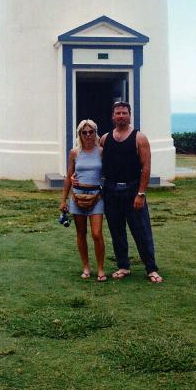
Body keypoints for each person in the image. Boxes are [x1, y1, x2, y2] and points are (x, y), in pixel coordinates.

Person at [100, 101, 163, 283]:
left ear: (130, 115)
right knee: (116, 231)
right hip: (111, 191)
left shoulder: (139, 138)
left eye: (124, 113)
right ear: (113, 116)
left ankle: (151, 268)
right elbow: (97, 163)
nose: (121, 116)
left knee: (141, 231)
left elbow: (146, 167)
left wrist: (141, 193)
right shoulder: (105, 139)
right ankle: (123, 266)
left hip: (133, 190)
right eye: (118, 113)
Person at [60, 119, 106, 282]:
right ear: (79, 134)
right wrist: (63, 200)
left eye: (90, 132)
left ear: (95, 132)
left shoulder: (101, 151)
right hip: (77, 197)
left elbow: (108, 172)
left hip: (96, 197)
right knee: (81, 233)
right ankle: (86, 267)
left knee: (97, 233)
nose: (87, 135)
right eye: (84, 132)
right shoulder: (74, 152)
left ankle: (100, 268)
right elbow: (68, 176)